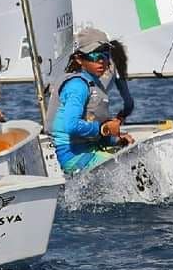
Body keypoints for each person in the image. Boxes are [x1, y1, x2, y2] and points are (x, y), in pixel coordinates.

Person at [50, 28, 135, 173]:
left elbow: (92, 130)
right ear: (79, 59)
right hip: (74, 156)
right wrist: (104, 128)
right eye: (95, 55)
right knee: (128, 170)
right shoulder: (77, 86)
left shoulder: (95, 84)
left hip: (90, 149)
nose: (101, 61)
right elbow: (71, 125)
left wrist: (115, 139)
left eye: (105, 54)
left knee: (135, 160)